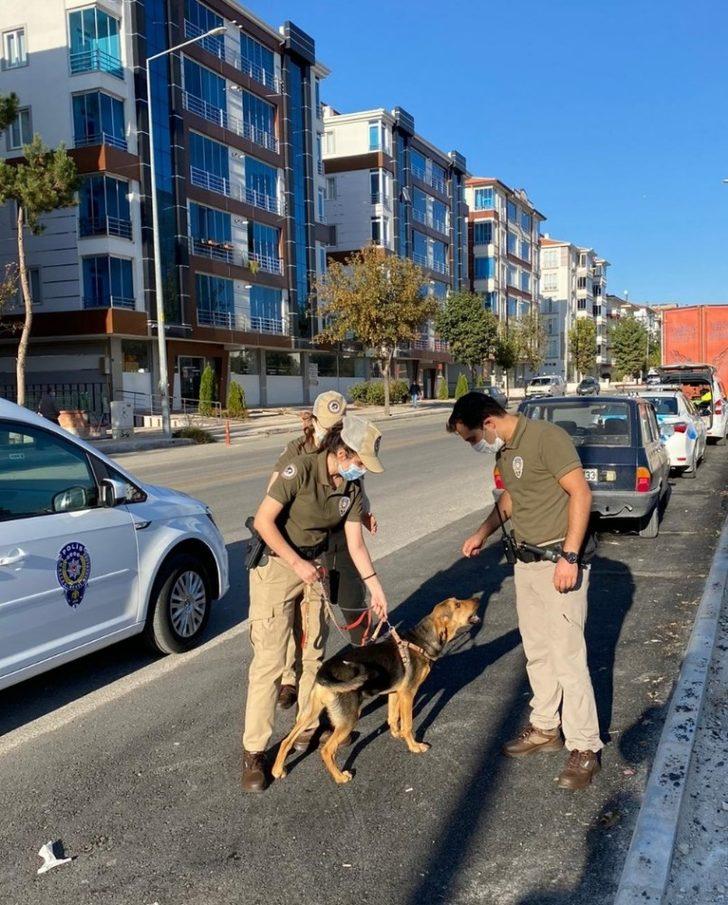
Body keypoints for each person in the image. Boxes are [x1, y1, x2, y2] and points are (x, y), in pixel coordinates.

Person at [447, 392, 602, 790]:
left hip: (558, 561)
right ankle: (546, 727)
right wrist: (482, 532)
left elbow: (581, 493)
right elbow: (512, 498)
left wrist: (570, 556)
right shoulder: (506, 452)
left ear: (489, 423)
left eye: (471, 438)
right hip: (526, 562)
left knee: (568, 655)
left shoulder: (547, 438)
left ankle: (585, 746)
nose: (473, 446)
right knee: (537, 650)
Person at [242, 414, 388, 792]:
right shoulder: (300, 469)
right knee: (270, 662)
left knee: (314, 654)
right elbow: (263, 521)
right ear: (341, 452)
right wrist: (296, 563)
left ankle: (306, 729)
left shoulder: (352, 488)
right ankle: (255, 752)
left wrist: (376, 588)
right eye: (358, 462)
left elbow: (355, 544)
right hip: (277, 565)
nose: (360, 471)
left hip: (317, 566)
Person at [266, 392, 377, 711]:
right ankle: (291, 676)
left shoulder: (348, 454)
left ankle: (361, 661)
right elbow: (273, 499)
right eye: (327, 426)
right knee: (296, 613)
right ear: (313, 421)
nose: (332, 432)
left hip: (338, 539)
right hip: (300, 543)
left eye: (338, 426)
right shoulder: (297, 452)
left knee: (348, 601)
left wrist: (365, 513)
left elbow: (356, 491)